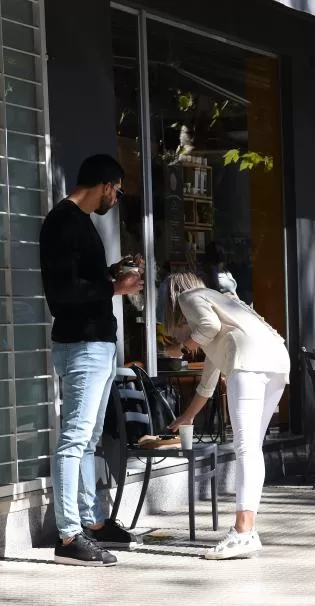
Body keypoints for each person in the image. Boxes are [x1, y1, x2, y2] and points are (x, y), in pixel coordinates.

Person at [40, 154, 144, 566]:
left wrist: (109, 274)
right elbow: (61, 294)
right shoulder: (63, 222)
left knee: (88, 439)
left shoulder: (79, 222)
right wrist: (114, 288)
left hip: (95, 345)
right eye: (116, 189)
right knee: (74, 439)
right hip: (82, 345)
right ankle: (68, 537)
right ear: (104, 184)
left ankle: (93, 522)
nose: (116, 198)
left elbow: (80, 280)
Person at [163, 272, 290, 560]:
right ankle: (249, 531)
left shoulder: (189, 297)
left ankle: (243, 533)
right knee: (252, 449)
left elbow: (208, 326)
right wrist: (188, 416)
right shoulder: (226, 304)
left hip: (249, 363)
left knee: (246, 448)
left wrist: (181, 347)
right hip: (277, 362)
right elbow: (208, 380)